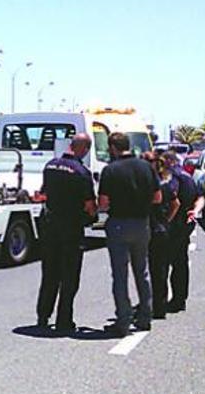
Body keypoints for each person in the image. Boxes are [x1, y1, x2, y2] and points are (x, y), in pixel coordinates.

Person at [99, 132, 161, 336]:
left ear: (113, 148)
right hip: (142, 224)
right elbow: (158, 197)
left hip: (119, 223)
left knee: (120, 274)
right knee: (142, 272)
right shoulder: (145, 167)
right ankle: (145, 316)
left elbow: (104, 203)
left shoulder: (110, 170)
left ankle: (123, 321)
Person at [36, 133, 97, 333]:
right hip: (71, 228)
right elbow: (89, 206)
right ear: (85, 149)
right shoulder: (81, 172)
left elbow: (43, 193)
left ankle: (43, 316)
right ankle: (64, 320)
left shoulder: (50, 165)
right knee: (69, 276)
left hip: (50, 226)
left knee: (50, 273)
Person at [160, 150, 205, 313]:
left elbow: (174, 202)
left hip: (171, 225)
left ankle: (161, 300)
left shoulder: (171, 178)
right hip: (184, 224)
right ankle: (179, 299)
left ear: (168, 162)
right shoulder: (188, 177)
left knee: (162, 264)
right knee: (180, 263)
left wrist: (166, 221)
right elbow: (200, 197)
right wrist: (195, 211)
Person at [143, 151, 180, 319]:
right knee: (156, 270)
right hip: (156, 229)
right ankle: (156, 305)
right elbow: (175, 204)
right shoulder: (159, 182)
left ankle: (158, 306)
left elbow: (175, 204)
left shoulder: (158, 184)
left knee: (157, 270)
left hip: (155, 230)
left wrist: (165, 221)